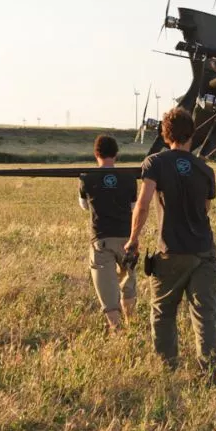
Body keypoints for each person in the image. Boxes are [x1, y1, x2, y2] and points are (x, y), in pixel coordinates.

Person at [125, 108, 216, 380]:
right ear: (192, 135)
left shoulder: (155, 163)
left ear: (165, 135)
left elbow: (143, 204)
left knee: (163, 313)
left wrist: (133, 239)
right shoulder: (205, 169)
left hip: (171, 252)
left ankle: (168, 371)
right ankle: (211, 375)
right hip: (204, 251)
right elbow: (206, 209)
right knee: (204, 316)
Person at [79, 135, 138, 332]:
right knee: (128, 282)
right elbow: (133, 207)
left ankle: (117, 330)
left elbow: (84, 206)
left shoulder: (86, 177)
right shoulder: (129, 178)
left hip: (101, 238)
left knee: (106, 288)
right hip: (127, 238)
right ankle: (131, 324)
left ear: (96, 154)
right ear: (116, 154)